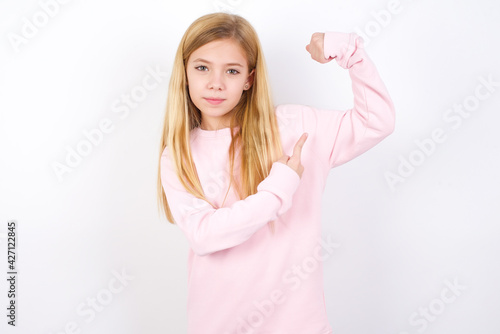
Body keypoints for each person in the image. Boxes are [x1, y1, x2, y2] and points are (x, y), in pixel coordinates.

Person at [156, 11, 395, 334]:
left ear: (249, 79)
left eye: (232, 70)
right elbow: (205, 235)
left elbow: (376, 122)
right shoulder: (179, 154)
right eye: (202, 68)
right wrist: (279, 186)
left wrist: (350, 51)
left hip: (298, 324)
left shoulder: (296, 126)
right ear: (185, 73)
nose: (215, 83)